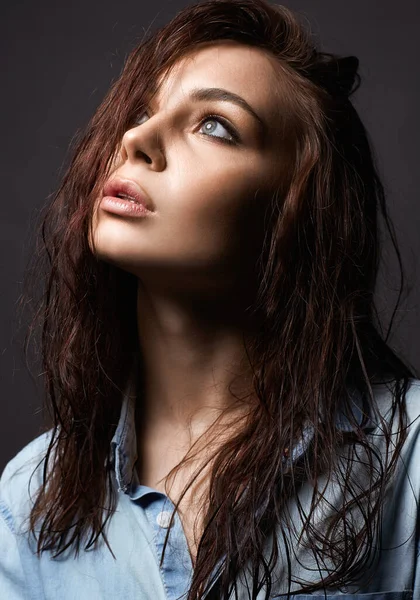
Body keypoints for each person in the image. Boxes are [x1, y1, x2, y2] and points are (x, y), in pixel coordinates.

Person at [1, 0, 419, 598]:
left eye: (215, 126)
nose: (137, 138)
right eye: (144, 111)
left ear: (299, 213)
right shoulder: (28, 501)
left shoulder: (411, 457)